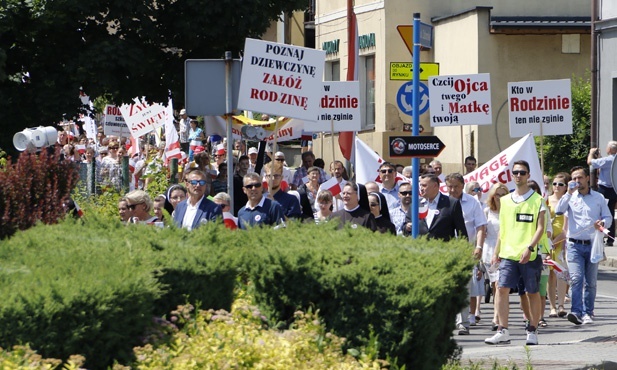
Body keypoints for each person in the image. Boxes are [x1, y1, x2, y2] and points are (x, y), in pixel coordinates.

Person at [484, 160, 545, 346]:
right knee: (501, 289)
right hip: (509, 254)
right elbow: (503, 229)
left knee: (531, 292)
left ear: (528, 175)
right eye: (516, 172)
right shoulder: (505, 201)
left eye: (522, 172)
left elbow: (540, 228)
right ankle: (503, 330)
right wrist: (497, 251)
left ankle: (532, 329)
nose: (518, 175)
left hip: (529, 255)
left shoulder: (538, 200)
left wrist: (530, 247)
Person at [555, 166, 612, 325]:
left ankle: (588, 312)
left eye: (580, 178)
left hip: (593, 244)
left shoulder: (598, 197)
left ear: (587, 178)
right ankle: (576, 312)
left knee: (590, 282)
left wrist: (602, 223)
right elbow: (558, 211)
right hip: (574, 245)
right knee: (576, 278)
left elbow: (608, 217)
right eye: (574, 179)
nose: (577, 181)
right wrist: (567, 193)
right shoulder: (570, 197)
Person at [445, 173, 487, 333]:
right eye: (450, 186)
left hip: (466, 249)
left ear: (463, 186)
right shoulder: (443, 202)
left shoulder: (472, 203)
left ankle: (463, 322)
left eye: (456, 186)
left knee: (464, 286)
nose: (453, 189)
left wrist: (479, 247)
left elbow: (481, 226)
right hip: (446, 249)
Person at [404, 173, 467, 241]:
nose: (421, 189)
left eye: (424, 186)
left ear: (435, 186)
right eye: (421, 185)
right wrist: (407, 227)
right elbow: (405, 229)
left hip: (443, 249)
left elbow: (461, 232)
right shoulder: (415, 204)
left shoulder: (451, 203)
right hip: (420, 248)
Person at [482, 182, 510, 331]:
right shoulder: (487, 211)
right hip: (490, 249)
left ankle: (497, 317)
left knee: (501, 285)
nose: (500, 197)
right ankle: (497, 313)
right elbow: (481, 231)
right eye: (497, 194)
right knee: (495, 285)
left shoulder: (510, 210)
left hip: (506, 250)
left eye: (503, 194)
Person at [546, 172, 571, 318]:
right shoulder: (546, 200)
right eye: (554, 184)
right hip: (548, 241)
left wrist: (557, 241)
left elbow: (565, 228)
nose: (556, 187)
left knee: (561, 273)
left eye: (560, 184)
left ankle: (561, 304)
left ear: (565, 187)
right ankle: (552, 307)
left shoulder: (567, 201)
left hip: (561, 242)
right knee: (550, 275)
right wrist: (548, 242)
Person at [587, 141, 617, 246]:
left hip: (605, 189)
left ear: (610, 149)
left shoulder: (609, 159)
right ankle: (610, 239)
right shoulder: (613, 160)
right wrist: (599, 157)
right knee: (611, 214)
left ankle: (600, 237)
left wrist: (591, 153)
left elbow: (590, 162)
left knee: (600, 213)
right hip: (615, 189)